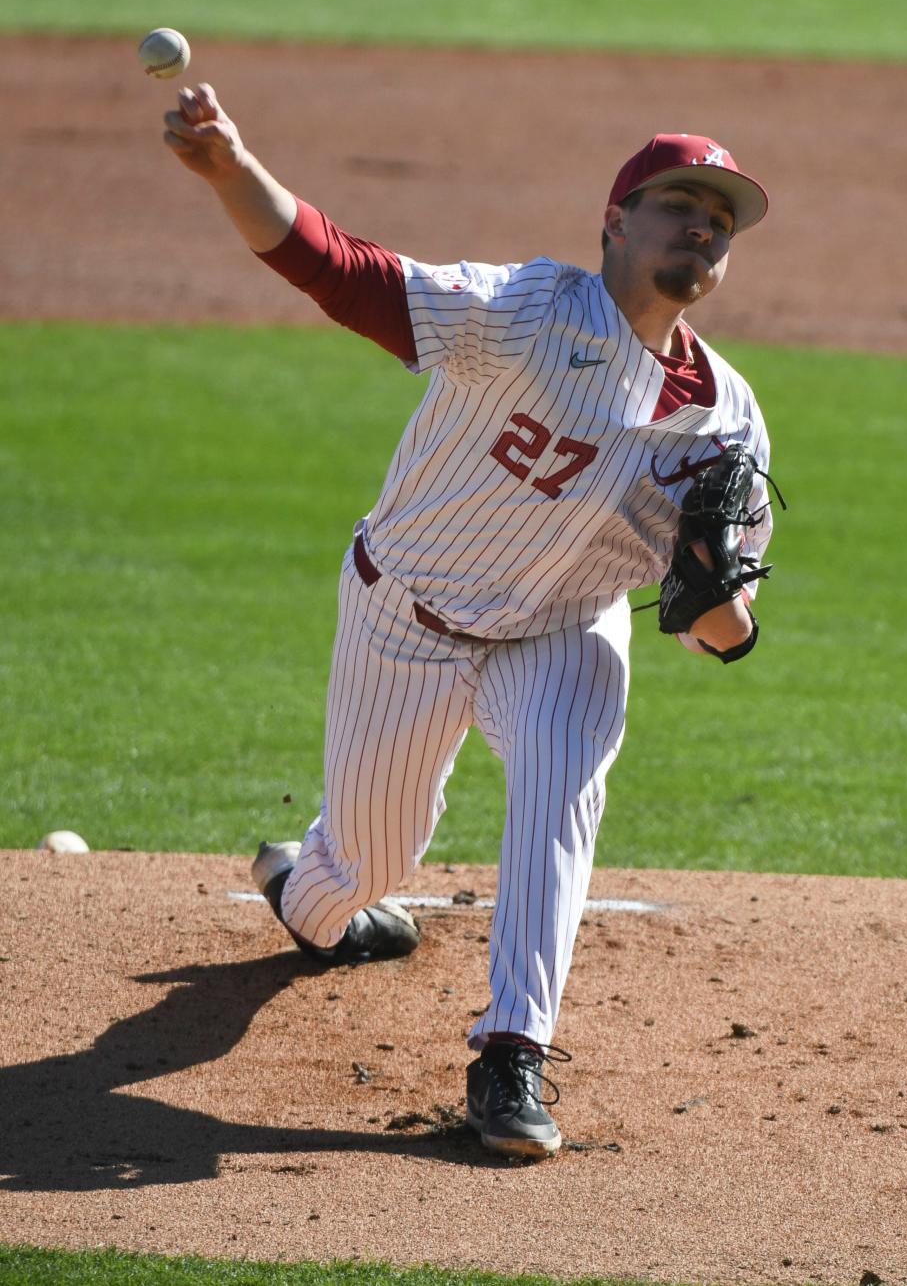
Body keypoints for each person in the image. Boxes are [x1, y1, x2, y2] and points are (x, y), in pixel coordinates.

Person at [163, 87, 774, 1160]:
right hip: (407, 614)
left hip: (564, 632)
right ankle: (308, 894)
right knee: (362, 865)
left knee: (559, 783)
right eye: (680, 203)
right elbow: (349, 274)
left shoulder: (728, 421)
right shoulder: (530, 311)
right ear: (615, 222)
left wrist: (715, 599)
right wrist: (230, 172)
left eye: (719, 219)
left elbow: (721, 634)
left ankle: (510, 1054)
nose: (703, 227)